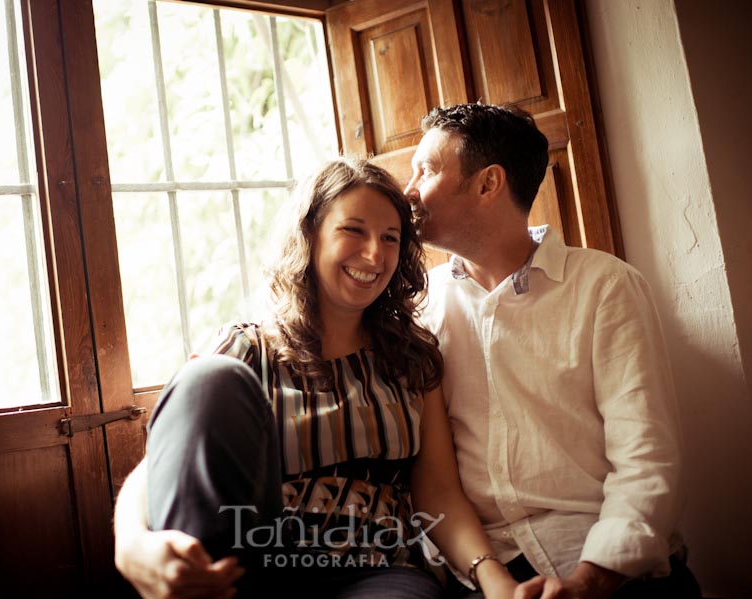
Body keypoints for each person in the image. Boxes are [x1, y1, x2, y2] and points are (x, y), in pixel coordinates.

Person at [113, 157, 520, 599]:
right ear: (310, 235)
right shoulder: (248, 349)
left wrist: (492, 575)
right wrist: (132, 545)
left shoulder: (412, 359)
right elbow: (158, 466)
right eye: (354, 230)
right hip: (255, 563)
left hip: (377, 570)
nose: (374, 254)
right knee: (208, 377)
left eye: (390, 238)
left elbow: (438, 492)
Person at [403, 102, 700, 598]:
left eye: (426, 170)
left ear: (487, 184)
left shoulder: (605, 287)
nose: (408, 190)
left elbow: (646, 458)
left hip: (602, 558)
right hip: (478, 566)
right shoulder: (419, 308)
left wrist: (591, 581)